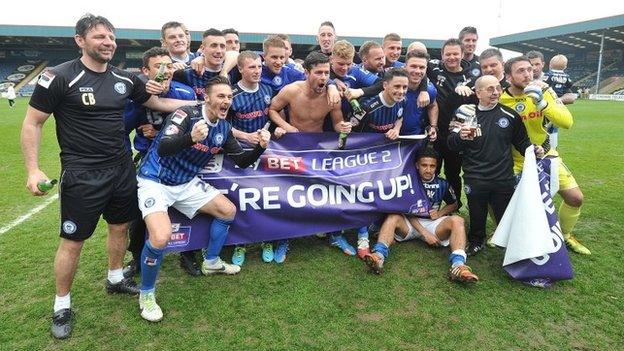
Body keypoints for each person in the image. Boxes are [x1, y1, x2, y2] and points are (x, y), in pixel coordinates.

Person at [20, 13, 196, 339]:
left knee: (119, 227)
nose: (108, 42)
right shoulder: (58, 77)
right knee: (73, 242)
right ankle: (62, 304)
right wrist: (33, 169)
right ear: (80, 40)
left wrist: (199, 103)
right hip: (82, 173)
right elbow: (33, 123)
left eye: (111, 37)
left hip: (121, 168)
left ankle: (115, 278)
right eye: (100, 37)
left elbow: (155, 100)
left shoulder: (124, 78)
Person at [136, 76, 271, 322]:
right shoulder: (185, 115)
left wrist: (260, 147)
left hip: (185, 183)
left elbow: (241, 161)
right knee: (160, 237)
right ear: (206, 97)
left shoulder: (224, 127)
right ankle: (146, 294)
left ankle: (212, 262)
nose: (226, 101)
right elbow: (163, 147)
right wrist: (191, 138)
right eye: (221, 96)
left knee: (227, 210)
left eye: (229, 97)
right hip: (154, 180)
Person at [122, 47, 199, 278]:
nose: (165, 72)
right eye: (158, 67)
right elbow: (123, 127)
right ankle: (136, 258)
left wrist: (160, 131)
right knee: (139, 212)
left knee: (188, 209)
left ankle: (189, 254)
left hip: (182, 161)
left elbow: (197, 127)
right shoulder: (135, 96)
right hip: (148, 161)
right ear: (146, 70)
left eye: (168, 66)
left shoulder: (185, 93)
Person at [500, 56, 589, 255]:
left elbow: (567, 122)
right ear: (508, 77)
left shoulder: (544, 92)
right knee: (499, 198)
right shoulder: (500, 98)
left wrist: (542, 104)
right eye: (520, 71)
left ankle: (565, 235)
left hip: (546, 155)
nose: (527, 74)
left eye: (529, 70)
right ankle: (502, 233)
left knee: (576, 198)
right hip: (515, 160)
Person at [268, 52, 352, 262]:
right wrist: (287, 127)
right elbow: (272, 109)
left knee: (330, 191)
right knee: (288, 195)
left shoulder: (332, 97)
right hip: (293, 148)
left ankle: (335, 234)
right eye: (318, 73)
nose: (323, 77)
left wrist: (343, 126)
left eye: (326, 73)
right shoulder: (291, 90)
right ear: (306, 73)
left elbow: (336, 124)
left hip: (318, 149)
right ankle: (284, 238)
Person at [448, 75, 543, 255]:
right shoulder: (464, 113)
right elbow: (451, 142)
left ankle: (510, 244)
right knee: (477, 213)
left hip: (503, 177)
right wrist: (460, 136)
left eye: (498, 88)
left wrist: (534, 151)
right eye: (490, 89)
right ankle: (476, 241)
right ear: (478, 93)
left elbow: (522, 142)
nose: (496, 92)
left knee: (505, 215)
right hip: (474, 176)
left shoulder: (510, 115)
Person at [363, 147, 478, 283]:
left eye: (432, 166)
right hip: (410, 223)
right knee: (393, 216)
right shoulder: (406, 181)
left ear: (436, 167)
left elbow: (454, 204)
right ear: (417, 165)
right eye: (424, 165)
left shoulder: (443, 183)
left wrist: (440, 213)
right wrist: (425, 234)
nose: (428, 170)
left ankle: (458, 266)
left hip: (433, 224)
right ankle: (378, 257)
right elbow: (404, 209)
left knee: (458, 220)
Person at [228, 51, 277, 265]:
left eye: (258, 67)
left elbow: (275, 116)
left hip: (264, 151)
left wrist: (277, 130)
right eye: (251, 67)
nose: (257, 71)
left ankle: (267, 239)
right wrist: (245, 136)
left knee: (266, 196)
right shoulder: (231, 94)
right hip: (239, 153)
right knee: (241, 198)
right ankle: (240, 244)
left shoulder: (268, 89)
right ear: (240, 69)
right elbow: (221, 125)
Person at [428, 38, 480, 205]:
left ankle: (455, 205)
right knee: (430, 171)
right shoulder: (433, 69)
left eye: (455, 54)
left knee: (453, 173)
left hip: (456, 134)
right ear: (442, 55)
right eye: (448, 54)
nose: (452, 57)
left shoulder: (473, 75)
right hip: (435, 132)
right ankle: (428, 205)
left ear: (462, 54)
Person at [401, 50, 438, 139]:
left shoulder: (430, 90)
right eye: (413, 66)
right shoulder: (393, 85)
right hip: (390, 139)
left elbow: (433, 106)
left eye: (422, 67)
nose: (417, 71)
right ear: (405, 67)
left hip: (416, 139)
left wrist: (433, 126)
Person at [543, 54, 576, 149]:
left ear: (549, 65)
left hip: (548, 101)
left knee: (548, 126)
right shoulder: (566, 76)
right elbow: (570, 84)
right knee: (554, 125)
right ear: (565, 67)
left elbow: (544, 84)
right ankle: (552, 147)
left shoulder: (548, 75)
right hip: (558, 103)